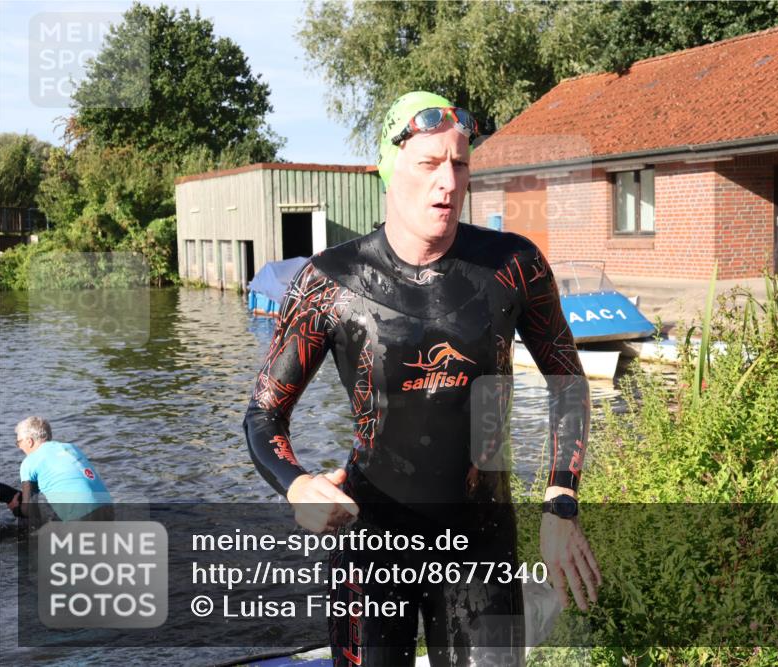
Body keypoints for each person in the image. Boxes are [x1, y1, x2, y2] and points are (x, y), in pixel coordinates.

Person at [244, 91, 600, 665]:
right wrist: (296, 484)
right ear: (387, 170)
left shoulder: (513, 266)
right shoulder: (329, 281)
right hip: (370, 545)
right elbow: (264, 414)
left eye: (459, 164)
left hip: (479, 544)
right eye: (428, 164)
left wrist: (561, 500)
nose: (448, 182)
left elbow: (567, 382)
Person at [15, 416, 113, 522]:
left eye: (19, 442)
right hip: (108, 508)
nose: (19, 447)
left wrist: (16, 508)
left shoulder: (29, 462)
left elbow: (29, 509)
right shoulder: (71, 447)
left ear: (30, 441)